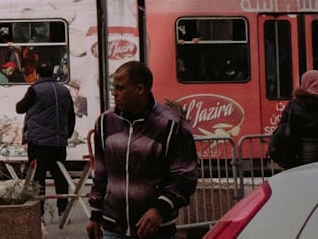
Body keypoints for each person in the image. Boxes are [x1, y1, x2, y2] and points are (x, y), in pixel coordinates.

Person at [87, 61, 197, 239]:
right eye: (113, 87)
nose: (114, 93)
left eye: (120, 88)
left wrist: (160, 209)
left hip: (155, 230)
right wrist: (95, 213)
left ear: (140, 89)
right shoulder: (105, 122)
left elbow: (184, 177)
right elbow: (101, 173)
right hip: (112, 228)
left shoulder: (171, 124)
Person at [16, 60, 76, 218]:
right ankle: (63, 209)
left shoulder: (34, 90)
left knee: (38, 177)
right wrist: (66, 134)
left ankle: (39, 211)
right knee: (59, 175)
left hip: (38, 143)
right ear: (52, 74)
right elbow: (71, 115)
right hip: (58, 143)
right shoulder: (64, 91)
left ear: (37, 74)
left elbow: (20, 108)